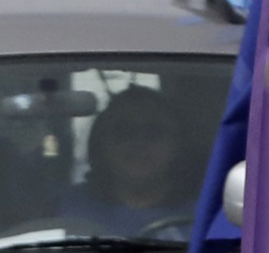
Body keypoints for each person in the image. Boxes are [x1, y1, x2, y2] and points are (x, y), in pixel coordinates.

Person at [61, 87, 196, 238]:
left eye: (154, 132)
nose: (139, 143)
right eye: (124, 132)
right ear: (100, 143)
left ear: (179, 143)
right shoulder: (63, 210)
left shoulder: (209, 214)